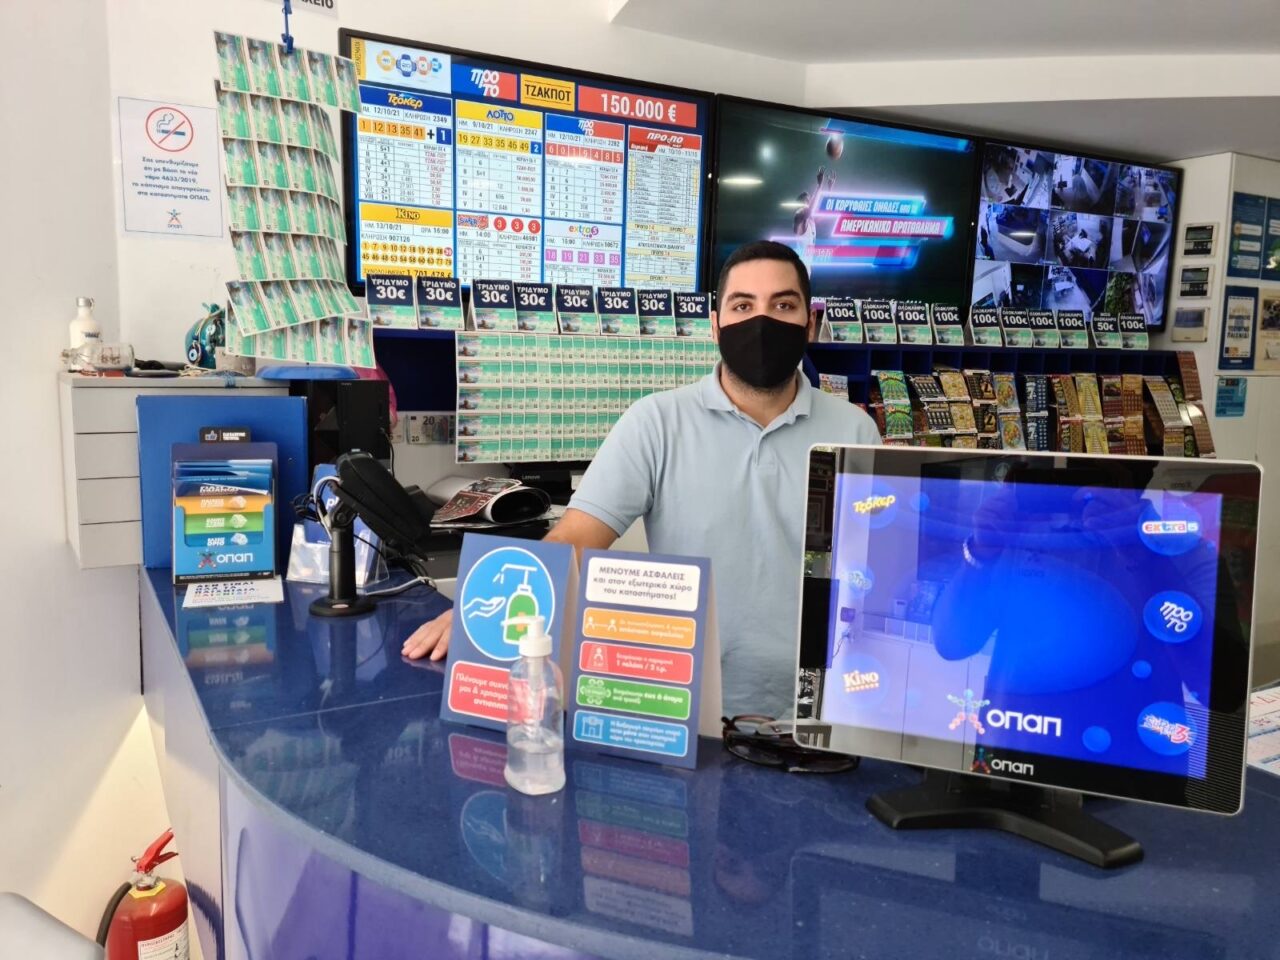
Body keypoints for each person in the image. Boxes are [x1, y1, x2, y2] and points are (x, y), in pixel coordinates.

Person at [403, 241, 881, 718]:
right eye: (742, 305)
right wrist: (484, 613)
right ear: (715, 325)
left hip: (822, 709)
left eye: (783, 305)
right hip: (692, 709)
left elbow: (879, 569)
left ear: (809, 323)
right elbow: (575, 538)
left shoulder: (856, 431)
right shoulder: (656, 422)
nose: (762, 322)